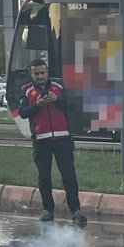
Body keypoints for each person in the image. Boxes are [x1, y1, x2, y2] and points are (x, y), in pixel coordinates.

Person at [18, 59, 87, 224]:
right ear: (31, 74)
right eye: (36, 73)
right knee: (44, 177)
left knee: (69, 175)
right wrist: (38, 105)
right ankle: (48, 210)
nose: (40, 76)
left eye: (43, 73)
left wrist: (57, 99)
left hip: (62, 138)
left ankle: (75, 209)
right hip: (41, 140)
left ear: (47, 71)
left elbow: (72, 107)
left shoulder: (60, 86)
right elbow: (23, 113)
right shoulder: (26, 90)